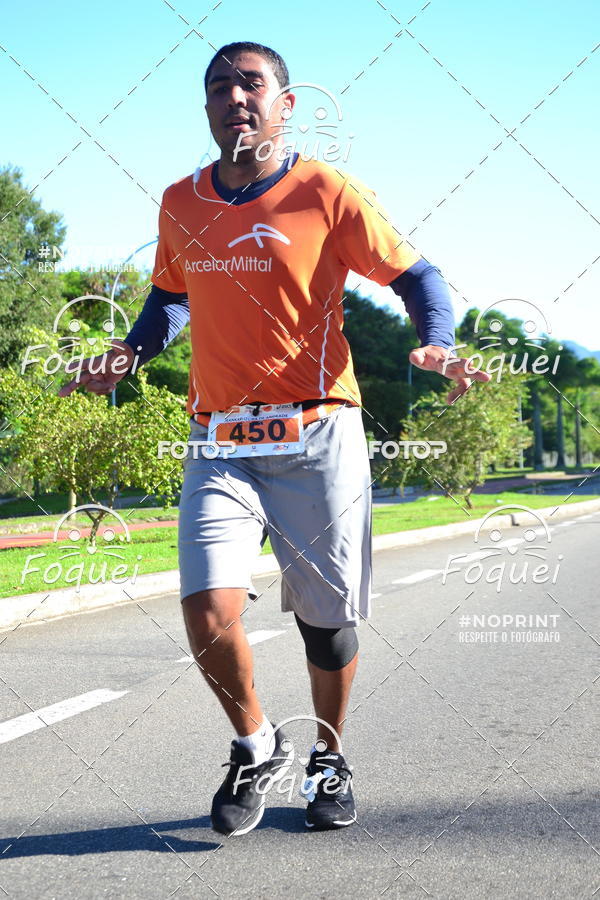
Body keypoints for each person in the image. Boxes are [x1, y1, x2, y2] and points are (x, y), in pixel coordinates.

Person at [59, 41, 490, 837]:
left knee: (325, 626)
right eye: (219, 87)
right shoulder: (181, 201)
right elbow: (169, 300)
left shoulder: (325, 190)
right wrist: (128, 353)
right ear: (208, 110)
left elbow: (418, 276)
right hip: (219, 437)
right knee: (206, 608)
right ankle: (257, 745)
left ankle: (329, 756)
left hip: (318, 430)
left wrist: (435, 341)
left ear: (285, 104)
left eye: (251, 83)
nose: (235, 97)